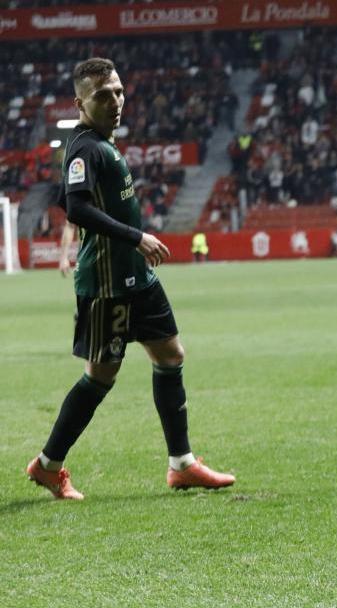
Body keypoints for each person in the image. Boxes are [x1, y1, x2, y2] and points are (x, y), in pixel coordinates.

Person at [25, 58, 235, 501]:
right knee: (100, 377)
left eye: (119, 91)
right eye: (104, 95)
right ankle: (48, 465)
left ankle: (181, 464)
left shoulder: (103, 142)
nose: (116, 101)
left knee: (170, 354)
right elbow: (76, 208)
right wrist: (137, 237)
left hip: (137, 278)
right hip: (106, 284)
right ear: (80, 102)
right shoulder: (83, 147)